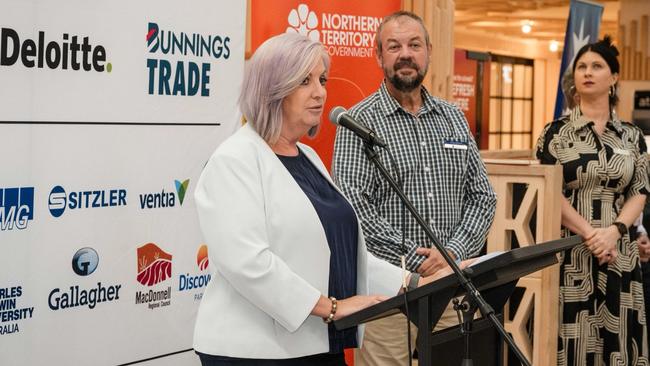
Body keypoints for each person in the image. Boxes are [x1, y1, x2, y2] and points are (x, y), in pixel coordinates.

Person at [192, 33, 460, 366]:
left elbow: (342, 252)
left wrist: (416, 281)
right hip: (254, 351)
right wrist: (330, 307)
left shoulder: (307, 157)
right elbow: (247, 262)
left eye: (321, 79)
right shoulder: (235, 159)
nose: (320, 92)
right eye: (304, 81)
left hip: (317, 343)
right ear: (271, 89)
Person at [332, 11, 497, 365]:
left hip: (452, 285)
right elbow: (354, 207)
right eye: (394, 46)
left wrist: (449, 253)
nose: (405, 53)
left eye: (414, 44)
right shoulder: (358, 122)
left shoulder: (452, 117)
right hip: (389, 293)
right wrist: (419, 260)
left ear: (429, 52)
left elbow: (483, 196)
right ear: (378, 56)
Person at [536, 36, 649, 365]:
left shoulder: (630, 135)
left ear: (613, 78)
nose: (587, 72)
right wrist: (591, 234)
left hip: (620, 253)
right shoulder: (555, 133)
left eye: (597, 66)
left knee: (619, 339)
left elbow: (639, 191)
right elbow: (549, 191)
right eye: (582, 66)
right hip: (571, 251)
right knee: (572, 341)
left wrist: (613, 232)